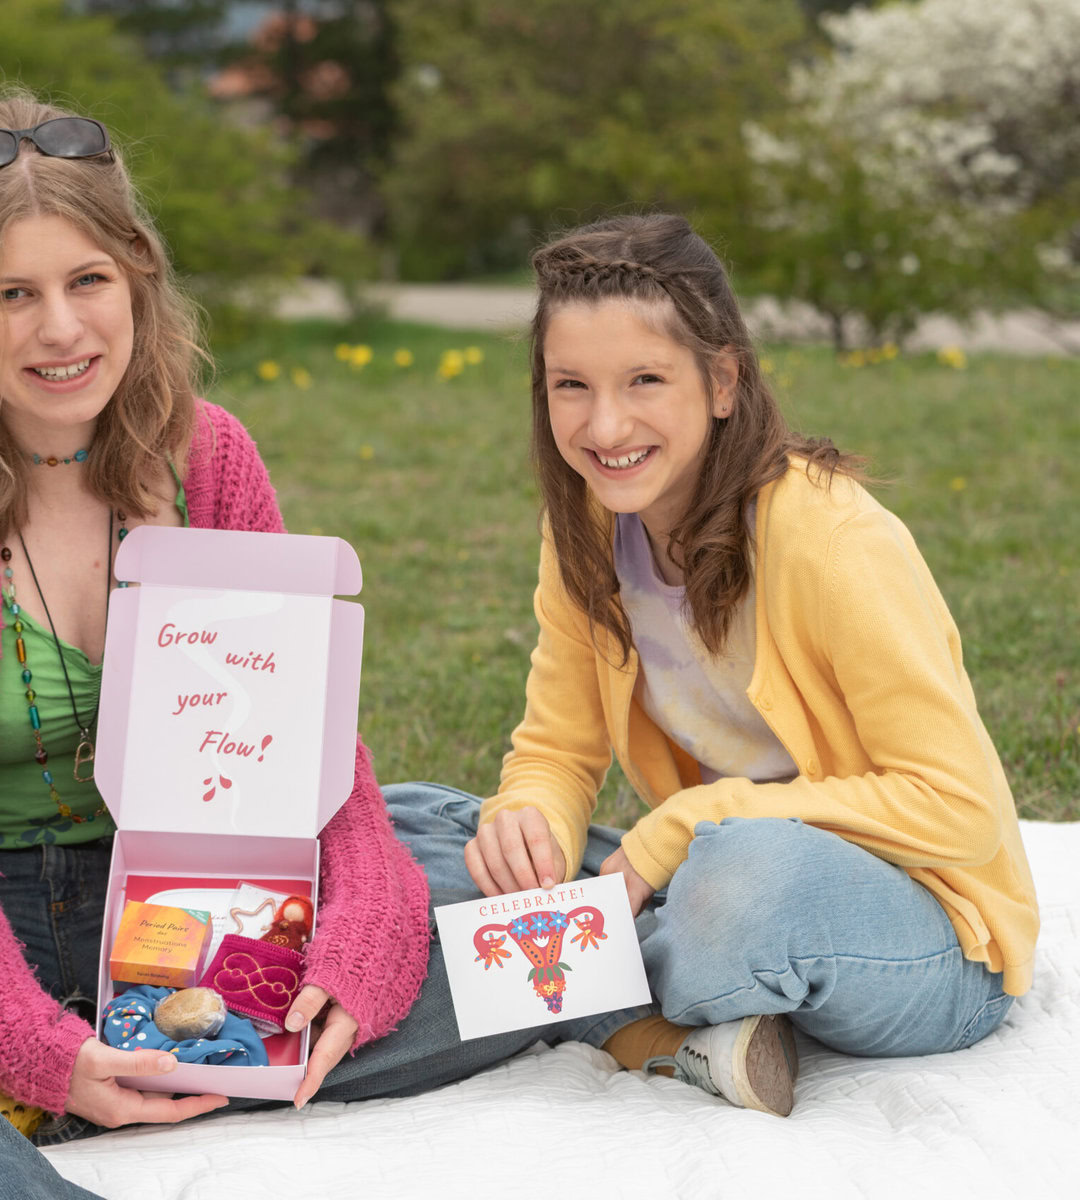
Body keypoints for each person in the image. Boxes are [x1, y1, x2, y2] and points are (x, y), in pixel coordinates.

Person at [0, 91, 434, 1199]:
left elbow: (306, 740)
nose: (62, 329)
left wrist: (365, 942)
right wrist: (29, 1036)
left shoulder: (211, 457)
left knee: (438, 880)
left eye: (87, 281)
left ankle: (86, 1090)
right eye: (15, 294)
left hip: (196, 909)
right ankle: (40, 1108)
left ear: (137, 278)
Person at [386, 213, 1040, 1118]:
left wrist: (686, 825)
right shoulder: (586, 525)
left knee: (741, 886)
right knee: (414, 824)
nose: (604, 424)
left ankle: (574, 998)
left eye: (645, 380)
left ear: (723, 379)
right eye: (570, 385)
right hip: (697, 881)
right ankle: (654, 1015)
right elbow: (557, 750)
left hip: (919, 935)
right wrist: (525, 821)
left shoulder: (833, 541)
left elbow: (959, 812)